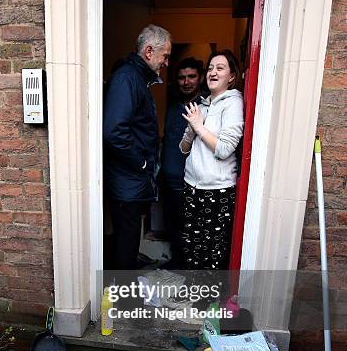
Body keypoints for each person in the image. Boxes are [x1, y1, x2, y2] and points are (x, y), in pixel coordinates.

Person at [103, 24, 172, 270]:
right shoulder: (127, 77)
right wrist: (141, 162)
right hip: (126, 182)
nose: (166, 62)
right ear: (149, 51)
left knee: (129, 244)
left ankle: (124, 298)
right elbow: (113, 131)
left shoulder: (137, 78)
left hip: (132, 182)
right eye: (165, 55)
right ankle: (123, 304)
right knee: (125, 245)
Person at [179, 50, 244, 270]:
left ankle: (209, 302)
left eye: (220, 68)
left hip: (217, 191)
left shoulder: (233, 103)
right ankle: (193, 296)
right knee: (190, 248)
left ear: (232, 76)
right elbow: (183, 148)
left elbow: (225, 148)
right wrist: (191, 128)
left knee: (211, 253)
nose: (212, 72)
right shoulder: (202, 105)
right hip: (192, 187)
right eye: (210, 68)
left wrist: (199, 127)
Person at [160, 58, 206, 268]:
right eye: (181, 77)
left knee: (187, 227)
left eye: (191, 77)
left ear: (201, 78)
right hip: (167, 179)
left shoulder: (205, 107)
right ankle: (176, 262)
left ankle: (185, 267)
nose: (186, 82)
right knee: (171, 224)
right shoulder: (173, 105)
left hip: (188, 182)